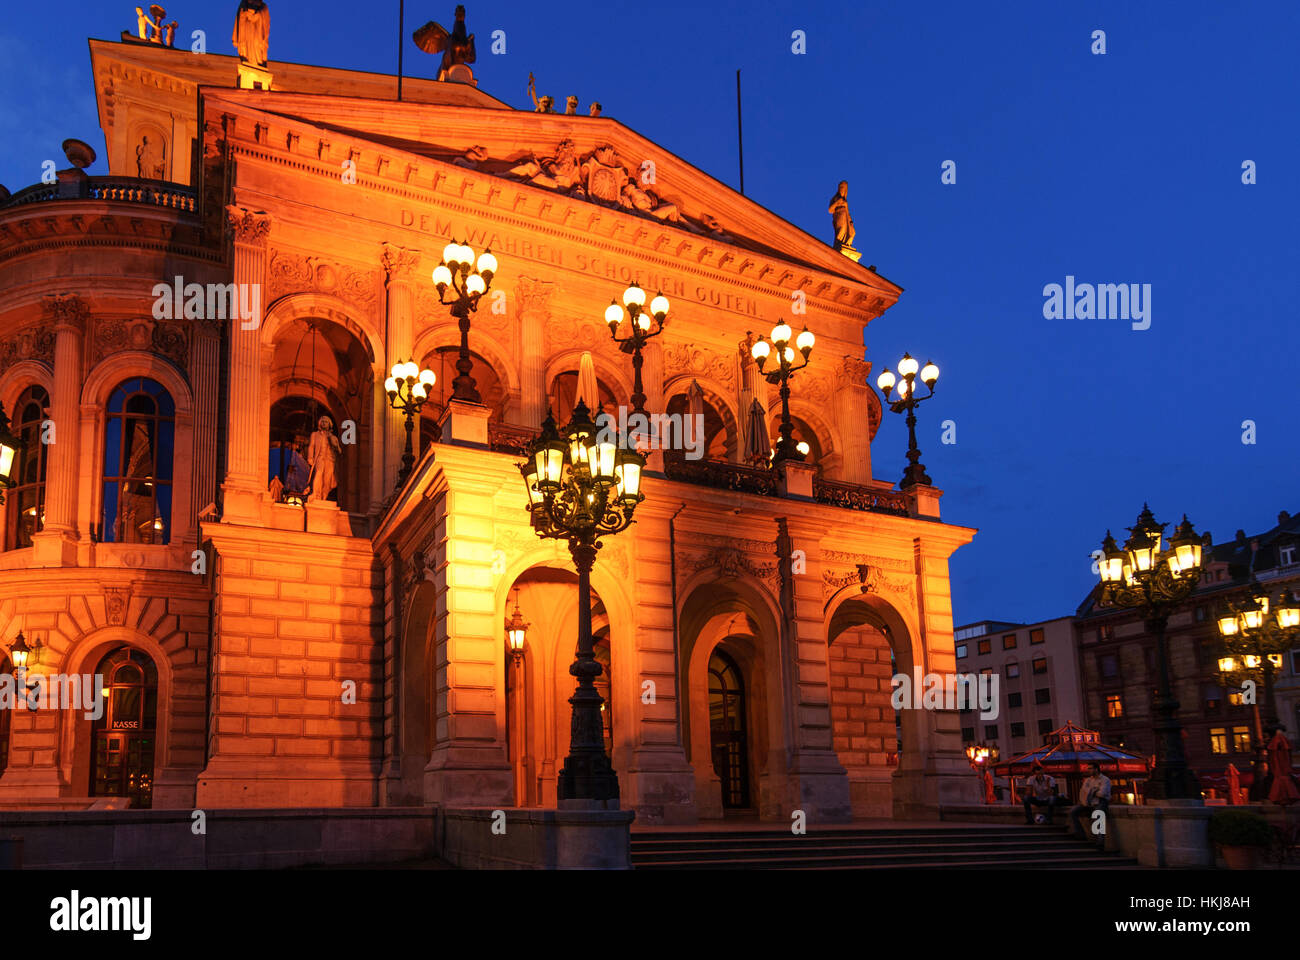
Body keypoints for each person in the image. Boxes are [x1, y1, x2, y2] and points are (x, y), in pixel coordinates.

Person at [1069, 762, 1111, 850]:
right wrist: (1093, 791)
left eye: (1090, 768)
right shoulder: (1088, 780)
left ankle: (1100, 841)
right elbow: (1083, 791)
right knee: (1073, 811)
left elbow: (1102, 794)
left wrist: (1092, 792)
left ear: (1096, 769)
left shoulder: (1105, 779)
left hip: (1100, 802)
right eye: (1088, 768)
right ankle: (1080, 834)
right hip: (1088, 802)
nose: (1088, 770)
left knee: (1098, 816)